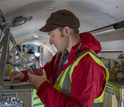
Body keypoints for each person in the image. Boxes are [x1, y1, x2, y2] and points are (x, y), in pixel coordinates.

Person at [9, 9, 109, 107]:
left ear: (66, 31)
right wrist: (24, 75)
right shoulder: (61, 56)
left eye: (52, 35)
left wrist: (42, 88)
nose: (50, 41)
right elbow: (47, 72)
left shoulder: (88, 64)